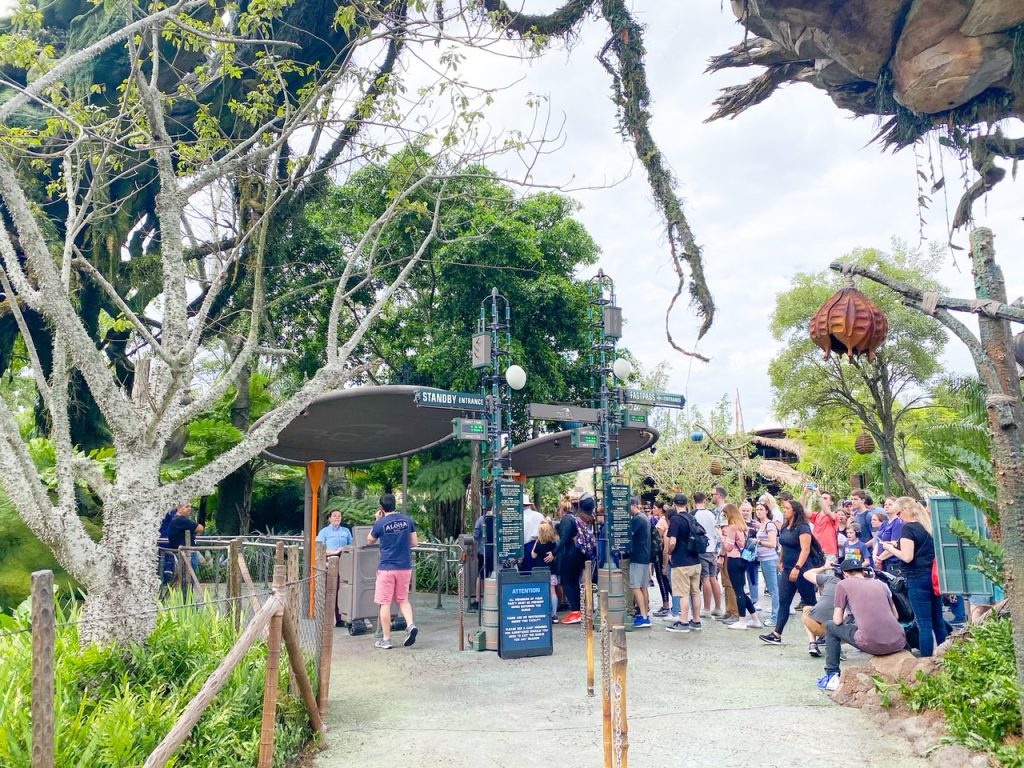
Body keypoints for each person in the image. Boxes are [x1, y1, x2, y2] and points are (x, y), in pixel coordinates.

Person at [818, 558, 907, 691]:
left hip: (873, 644)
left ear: (844, 574)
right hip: (899, 641)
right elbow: (896, 616)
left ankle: (832, 674)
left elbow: (837, 621)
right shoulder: (880, 583)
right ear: (863, 571)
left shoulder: (843, 584)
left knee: (830, 626)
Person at [880, 496, 948, 657]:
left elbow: (907, 556)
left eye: (898, 513)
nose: (897, 517)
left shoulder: (908, 529)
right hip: (932, 578)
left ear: (904, 511)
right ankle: (946, 656)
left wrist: (890, 548)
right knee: (938, 621)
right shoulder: (926, 527)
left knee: (924, 623)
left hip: (917, 578)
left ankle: (926, 660)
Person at [759, 496, 817, 646]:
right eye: (784, 508)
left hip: (802, 569)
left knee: (810, 603)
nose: (784, 511)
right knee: (784, 600)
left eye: (787, 509)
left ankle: (822, 633)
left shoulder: (803, 527)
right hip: (787, 568)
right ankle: (777, 634)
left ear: (795, 511)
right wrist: (780, 560)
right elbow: (783, 544)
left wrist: (798, 567)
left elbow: (805, 550)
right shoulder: (785, 527)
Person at [367, 493, 418, 650]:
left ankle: (386, 639)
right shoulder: (407, 520)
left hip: (387, 568)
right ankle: (410, 625)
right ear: (395, 504)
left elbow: (370, 539)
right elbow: (414, 543)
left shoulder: (381, 523)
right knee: (403, 599)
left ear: (381, 508)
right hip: (405, 566)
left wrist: (377, 520)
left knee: (385, 603)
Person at [664, 492, 703, 633]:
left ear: (674, 504)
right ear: (686, 503)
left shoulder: (675, 520)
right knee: (696, 592)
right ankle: (696, 620)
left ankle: (684, 622)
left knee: (683, 594)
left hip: (681, 562)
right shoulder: (692, 517)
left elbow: (672, 541)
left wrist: (669, 552)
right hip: (695, 560)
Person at [722, 503, 762, 630]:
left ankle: (742, 620)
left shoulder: (732, 527)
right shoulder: (744, 527)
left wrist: (721, 537)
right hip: (743, 559)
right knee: (742, 591)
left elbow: (728, 546)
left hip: (733, 559)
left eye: (725, 514)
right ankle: (755, 619)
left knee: (738, 591)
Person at [557, 493, 596, 624]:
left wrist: (554, 552)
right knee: (575, 581)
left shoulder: (567, 520)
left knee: (567, 581)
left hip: (571, 555)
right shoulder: (585, 519)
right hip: (582, 554)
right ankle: (580, 610)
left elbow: (564, 539)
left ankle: (575, 611)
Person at [317, 509, 354, 627]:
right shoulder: (324, 532)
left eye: (339, 516)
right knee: (331, 589)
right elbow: (319, 548)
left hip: (345, 562)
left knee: (344, 589)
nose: (337, 518)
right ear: (329, 518)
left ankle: (342, 618)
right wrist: (334, 551)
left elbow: (352, 544)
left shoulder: (346, 531)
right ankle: (327, 618)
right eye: (334, 516)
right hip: (330, 562)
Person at [692, 491, 724, 621]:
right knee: (713, 577)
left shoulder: (693, 515)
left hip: (701, 549)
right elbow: (717, 531)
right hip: (712, 549)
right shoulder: (712, 513)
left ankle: (706, 608)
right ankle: (717, 607)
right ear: (704, 500)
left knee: (705, 578)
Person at [801, 564, 841, 656]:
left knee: (807, 610)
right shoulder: (855, 586)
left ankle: (812, 644)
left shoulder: (830, 580)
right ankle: (835, 645)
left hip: (829, 630)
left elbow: (807, 574)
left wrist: (824, 567)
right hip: (846, 631)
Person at [626, 496, 652, 628]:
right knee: (643, 587)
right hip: (645, 556)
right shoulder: (645, 518)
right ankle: (645, 614)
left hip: (637, 557)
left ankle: (643, 617)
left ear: (634, 505)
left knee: (635, 587)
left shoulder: (636, 519)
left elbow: (627, 535)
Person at [754, 501, 780, 627]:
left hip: (770, 560)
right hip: (764, 559)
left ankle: (775, 617)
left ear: (766, 511)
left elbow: (773, 544)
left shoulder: (769, 525)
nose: (758, 511)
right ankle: (776, 615)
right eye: (757, 509)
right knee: (773, 589)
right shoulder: (762, 525)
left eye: (761, 509)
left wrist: (758, 542)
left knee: (774, 590)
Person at [533, 520, 560, 622]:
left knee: (541, 592)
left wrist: (535, 543)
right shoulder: (553, 543)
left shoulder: (539, 543)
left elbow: (533, 555)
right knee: (553, 592)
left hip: (539, 571)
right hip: (551, 570)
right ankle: (554, 614)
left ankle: (543, 613)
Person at [650, 502, 672, 617]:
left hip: (660, 554)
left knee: (662, 579)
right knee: (665, 579)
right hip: (664, 553)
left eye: (654, 507)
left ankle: (666, 605)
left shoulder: (661, 522)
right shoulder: (663, 520)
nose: (652, 509)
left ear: (660, 509)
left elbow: (657, 540)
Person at [806, 488, 839, 564]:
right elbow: (802, 510)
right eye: (822, 498)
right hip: (816, 551)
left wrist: (818, 494)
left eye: (825, 498)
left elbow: (827, 512)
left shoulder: (835, 516)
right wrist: (805, 493)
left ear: (831, 502)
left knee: (829, 575)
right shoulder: (816, 515)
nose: (823, 500)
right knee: (816, 575)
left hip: (829, 552)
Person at [873, 496, 904, 573]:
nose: (886, 506)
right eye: (885, 504)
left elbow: (895, 544)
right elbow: (878, 540)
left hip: (893, 562)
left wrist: (879, 559)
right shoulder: (885, 523)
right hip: (882, 560)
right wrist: (874, 555)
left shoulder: (898, 522)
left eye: (890, 504)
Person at [740, 500, 759, 597]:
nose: (745, 513)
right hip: (739, 554)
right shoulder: (738, 523)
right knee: (741, 579)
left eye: (747, 511)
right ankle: (742, 599)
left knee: (753, 578)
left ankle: (755, 599)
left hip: (752, 555)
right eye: (743, 510)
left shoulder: (755, 524)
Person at [521, 494, 544, 572]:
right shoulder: (539, 515)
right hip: (539, 546)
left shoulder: (519, 516)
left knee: (525, 573)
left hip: (525, 547)